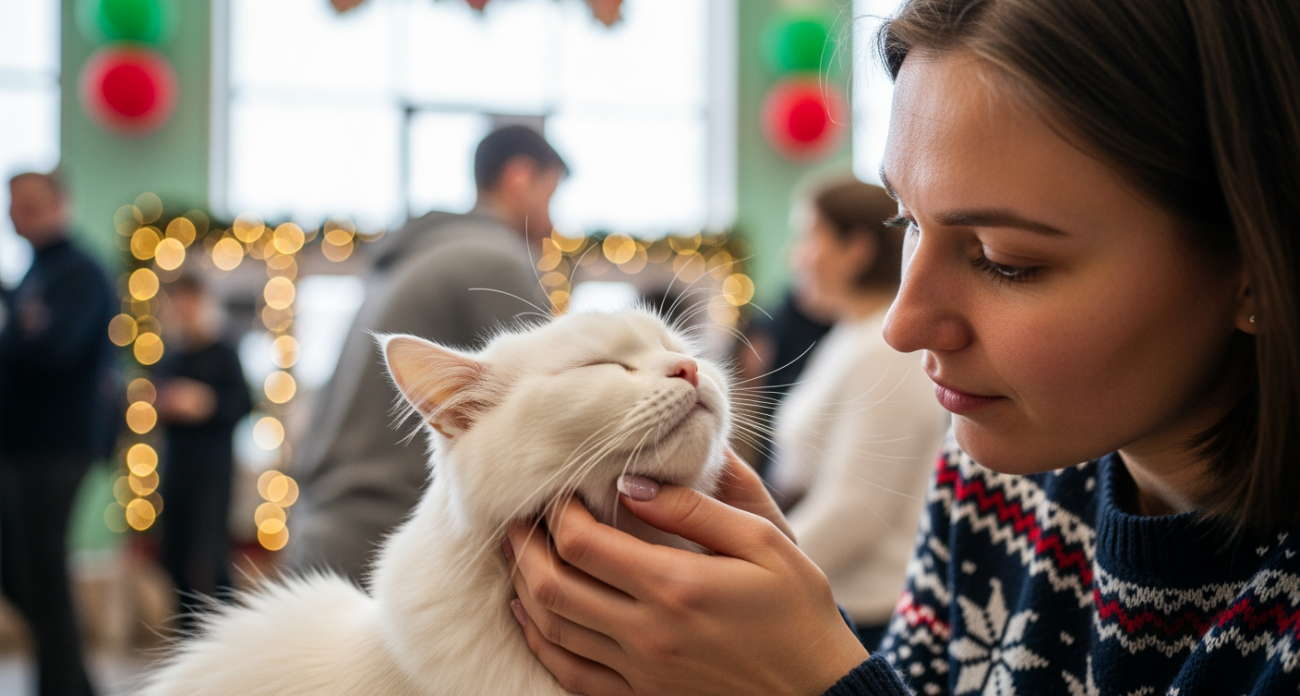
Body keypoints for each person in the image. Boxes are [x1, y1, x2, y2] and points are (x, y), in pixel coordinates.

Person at [501, 0, 1300, 694]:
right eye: (907, 221)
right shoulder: (994, 483)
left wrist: (813, 680)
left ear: (1258, 268)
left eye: (1005, 259)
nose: (903, 324)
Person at [290, 125, 565, 583]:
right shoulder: (492, 261)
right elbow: (549, 421)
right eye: (551, 195)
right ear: (519, 177)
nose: (553, 223)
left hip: (325, 537)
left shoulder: (409, 260)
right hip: (388, 549)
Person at [766, 179, 947, 650]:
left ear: (857, 250)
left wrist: (749, 571)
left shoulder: (884, 351)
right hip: (835, 592)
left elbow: (855, 510)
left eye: (810, 238)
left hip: (865, 611)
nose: (797, 257)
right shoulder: (851, 335)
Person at [0, 171, 113, 696]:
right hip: (23, 443)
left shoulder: (80, 273)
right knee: (22, 573)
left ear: (57, 206)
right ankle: (74, 685)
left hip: (58, 444)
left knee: (42, 571)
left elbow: (54, 352)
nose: (14, 214)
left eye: (25, 204)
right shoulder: (35, 272)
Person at [153, 273, 252, 634]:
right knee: (174, 557)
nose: (182, 308)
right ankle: (187, 639)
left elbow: (244, 403)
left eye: (188, 300)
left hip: (212, 472)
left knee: (209, 560)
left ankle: (223, 640)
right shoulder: (171, 356)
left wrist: (205, 403)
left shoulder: (224, 353)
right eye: (176, 301)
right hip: (177, 468)